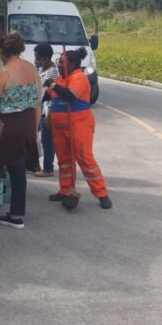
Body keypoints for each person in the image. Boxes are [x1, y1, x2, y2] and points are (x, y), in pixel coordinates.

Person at [0, 33, 41, 230]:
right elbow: (37, 101)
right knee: (18, 168)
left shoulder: (2, 73)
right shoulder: (32, 69)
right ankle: (16, 215)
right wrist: (34, 130)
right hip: (27, 123)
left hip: (6, 124)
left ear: (2, 51)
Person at [46, 47, 113, 209]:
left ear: (73, 64)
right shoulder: (61, 79)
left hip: (78, 125)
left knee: (85, 159)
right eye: (59, 62)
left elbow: (70, 95)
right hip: (59, 126)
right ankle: (65, 189)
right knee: (64, 160)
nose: (60, 65)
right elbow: (49, 98)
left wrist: (53, 86)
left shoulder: (79, 78)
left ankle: (101, 194)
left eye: (62, 62)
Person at [33, 43, 59, 178]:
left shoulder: (53, 72)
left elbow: (53, 94)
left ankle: (48, 168)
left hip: (47, 108)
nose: (35, 59)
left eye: (37, 56)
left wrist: (50, 113)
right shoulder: (41, 68)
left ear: (44, 57)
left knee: (47, 140)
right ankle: (35, 164)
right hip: (38, 107)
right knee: (35, 137)